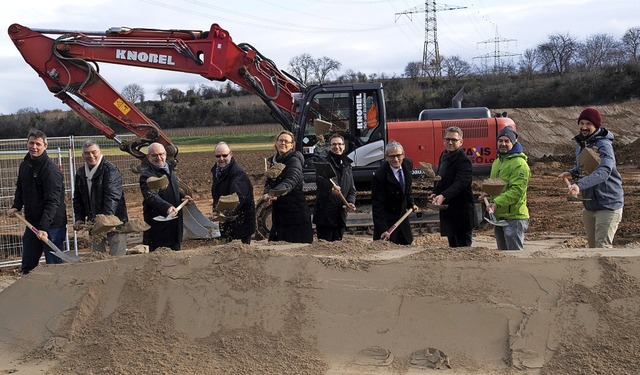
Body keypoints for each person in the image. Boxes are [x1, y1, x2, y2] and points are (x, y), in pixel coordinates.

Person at [558, 107, 624, 248]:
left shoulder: (604, 145)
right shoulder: (581, 145)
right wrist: (572, 173)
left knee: (602, 248)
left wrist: (579, 185)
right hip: (589, 206)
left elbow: (605, 170)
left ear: (596, 125)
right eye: (582, 123)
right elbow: (585, 167)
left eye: (588, 124)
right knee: (593, 250)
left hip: (608, 204)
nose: (584, 127)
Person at [4, 130, 67, 274]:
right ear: (27, 144)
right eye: (31, 143)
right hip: (32, 224)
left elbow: (53, 202)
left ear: (45, 146)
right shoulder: (25, 166)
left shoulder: (50, 171)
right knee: (28, 266)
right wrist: (16, 206)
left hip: (52, 227)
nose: (34, 147)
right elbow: (20, 187)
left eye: (38, 144)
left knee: (54, 266)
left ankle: (56, 294)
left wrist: (44, 227)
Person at [72, 141, 129, 256]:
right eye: (87, 153)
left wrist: (106, 220)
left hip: (114, 221)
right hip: (94, 223)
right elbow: (78, 199)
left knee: (118, 257)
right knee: (97, 256)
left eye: (94, 152)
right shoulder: (80, 173)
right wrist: (79, 218)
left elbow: (112, 196)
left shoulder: (110, 170)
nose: (91, 156)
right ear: (83, 156)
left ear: (100, 152)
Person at [262, 130, 313, 243]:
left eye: (286, 141)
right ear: (276, 143)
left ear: (292, 145)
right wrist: (266, 192)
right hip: (280, 212)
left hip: (295, 212)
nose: (283, 143)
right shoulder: (274, 161)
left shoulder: (294, 160)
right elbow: (269, 181)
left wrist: (275, 193)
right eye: (281, 140)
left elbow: (292, 179)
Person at [140, 142, 192, 251]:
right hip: (158, 228)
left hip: (174, 226)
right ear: (148, 157)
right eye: (154, 155)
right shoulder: (147, 175)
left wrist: (183, 196)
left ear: (165, 154)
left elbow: (173, 188)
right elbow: (150, 196)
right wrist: (167, 207)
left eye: (161, 154)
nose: (159, 158)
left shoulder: (169, 168)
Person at [487, 126, 530, 250]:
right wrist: (488, 195)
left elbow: (516, 191)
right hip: (499, 216)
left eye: (507, 141)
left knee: (515, 259)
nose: (503, 144)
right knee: (504, 259)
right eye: (501, 141)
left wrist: (496, 202)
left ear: (514, 142)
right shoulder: (497, 162)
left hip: (514, 218)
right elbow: (496, 187)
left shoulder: (519, 164)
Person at [431, 126, 474, 247]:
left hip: (461, 213)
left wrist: (443, 195)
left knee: (463, 250)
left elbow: (461, 183)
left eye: (454, 140)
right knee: (452, 249)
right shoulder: (443, 155)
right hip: (448, 213)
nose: (450, 142)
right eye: (447, 139)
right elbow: (440, 177)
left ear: (461, 142)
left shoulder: (464, 161)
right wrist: (435, 192)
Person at [371, 141, 419, 244]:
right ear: (386, 157)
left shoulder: (407, 164)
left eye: (398, 155)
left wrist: (412, 203)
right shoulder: (380, 176)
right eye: (392, 156)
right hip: (388, 221)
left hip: (402, 218)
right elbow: (377, 205)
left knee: (407, 247)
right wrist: (383, 229)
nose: (396, 159)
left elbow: (408, 188)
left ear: (403, 155)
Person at [313, 134, 357, 241]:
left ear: (344, 146)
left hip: (340, 216)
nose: (337, 147)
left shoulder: (347, 165)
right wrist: (330, 187)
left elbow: (352, 189)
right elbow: (321, 180)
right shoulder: (323, 163)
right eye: (334, 144)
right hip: (325, 215)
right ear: (329, 147)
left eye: (340, 144)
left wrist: (350, 202)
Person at [210, 141, 256, 244]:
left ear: (231, 154)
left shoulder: (237, 172)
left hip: (241, 223)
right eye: (218, 156)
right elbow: (217, 193)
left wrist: (222, 213)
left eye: (224, 155)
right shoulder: (217, 171)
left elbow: (236, 198)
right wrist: (216, 210)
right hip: (227, 221)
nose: (221, 159)